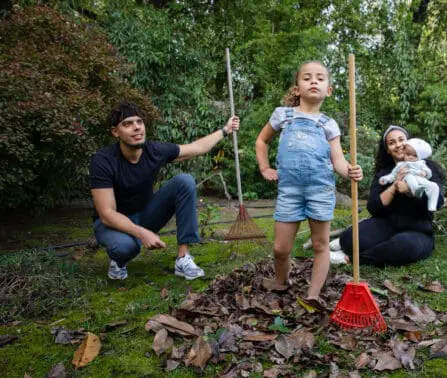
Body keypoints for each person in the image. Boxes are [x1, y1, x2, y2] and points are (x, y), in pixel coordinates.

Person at [90, 101, 239, 280]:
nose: (136, 128)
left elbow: (197, 148)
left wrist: (225, 130)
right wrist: (141, 233)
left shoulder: (154, 150)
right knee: (125, 247)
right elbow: (106, 214)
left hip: (145, 214)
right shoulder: (103, 160)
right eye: (127, 124)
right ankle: (118, 262)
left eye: (139, 121)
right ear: (115, 132)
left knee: (184, 181)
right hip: (110, 224)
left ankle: (183, 259)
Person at [255, 61, 363, 309]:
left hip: (320, 191)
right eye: (307, 78)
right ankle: (281, 281)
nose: (313, 81)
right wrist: (265, 168)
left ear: (329, 90)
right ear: (297, 89)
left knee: (320, 245)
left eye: (319, 78)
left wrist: (350, 171)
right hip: (289, 192)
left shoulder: (328, 124)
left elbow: (338, 160)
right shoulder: (283, 115)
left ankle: (313, 295)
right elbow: (262, 141)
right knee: (280, 248)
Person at [331, 125, 445, 267]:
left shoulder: (427, 168)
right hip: (386, 224)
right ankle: (349, 245)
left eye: (401, 140)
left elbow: (438, 201)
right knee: (349, 238)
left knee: (403, 245)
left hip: (418, 229)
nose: (398, 145)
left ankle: (352, 259)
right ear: (387, 150)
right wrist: (394, 186)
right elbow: (373, 207)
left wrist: (411, 190)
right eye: (392, 143)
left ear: (409, 142)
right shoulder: (384, 173)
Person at [378, 137, 439, 212]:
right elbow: (393, 175)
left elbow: (428, 172)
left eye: (414, 155)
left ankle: (432, 205)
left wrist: (425, 173)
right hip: (407, 178)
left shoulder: (421, 163)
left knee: (434, 186)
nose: (410, 157)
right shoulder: (401, 165)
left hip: (420, 179)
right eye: (408, 154)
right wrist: (386, 179)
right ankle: (415, 190)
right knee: (410, 177)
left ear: (419, 157)